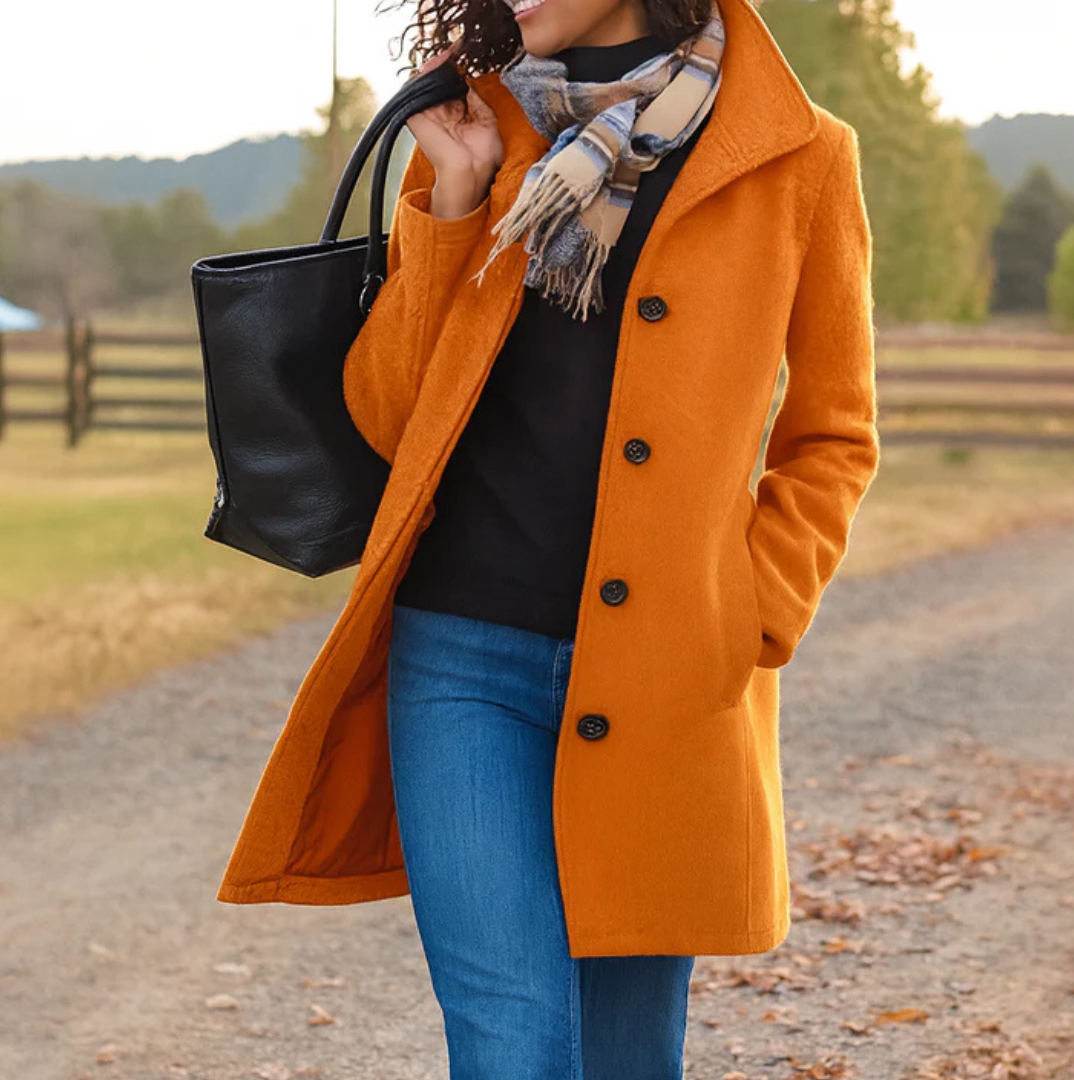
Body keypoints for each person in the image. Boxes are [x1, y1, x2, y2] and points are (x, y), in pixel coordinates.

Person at [213, 0, 880, 1076]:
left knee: (624, 1055)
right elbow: (388, 419)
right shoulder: (479, 128)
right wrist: (459, 197)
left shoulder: (798, 156)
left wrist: (752, 614)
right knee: (513, 1042)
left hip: (671, 678)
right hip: (464, 662)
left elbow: (835, 434)